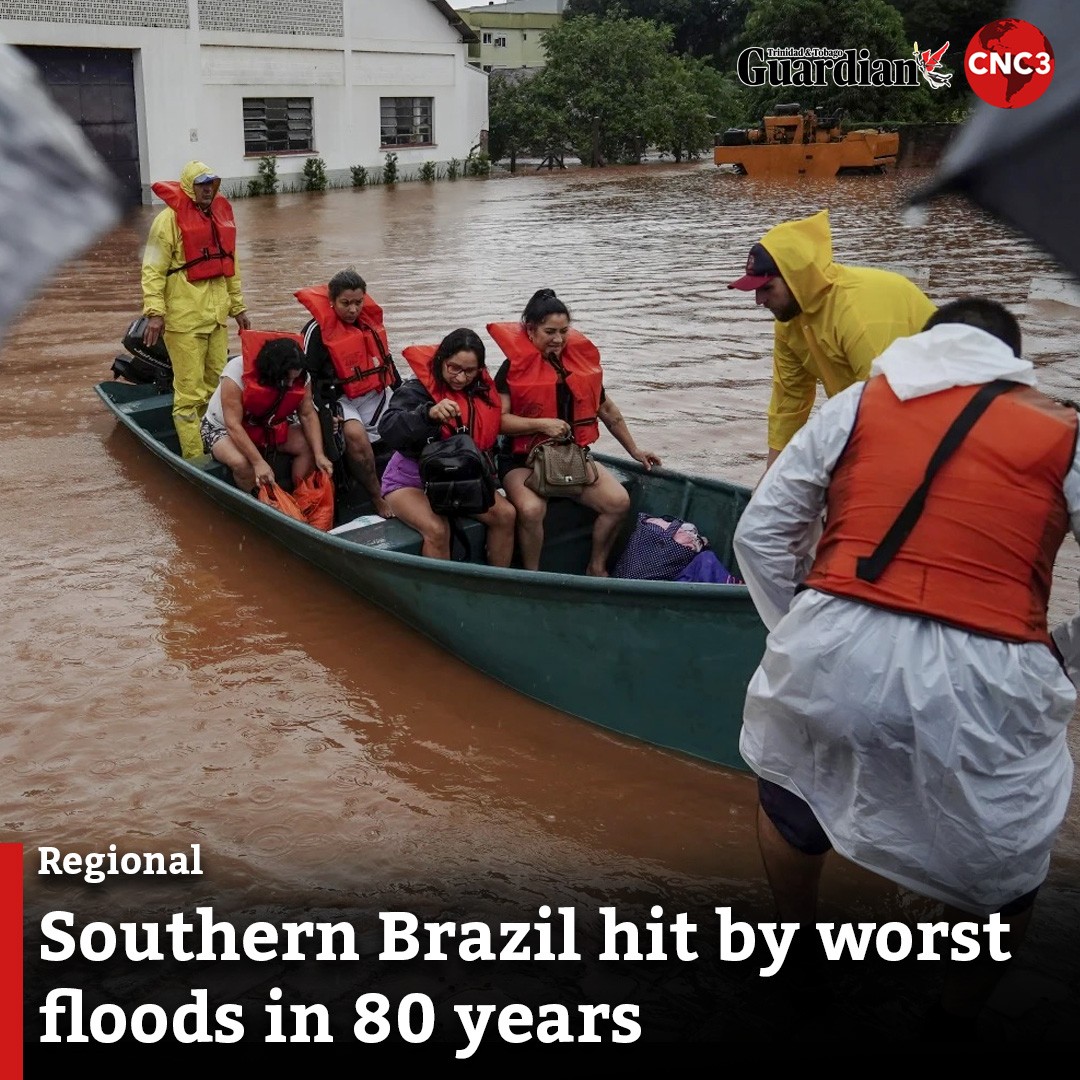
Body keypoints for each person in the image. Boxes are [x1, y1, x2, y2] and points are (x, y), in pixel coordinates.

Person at [733, 298, 1079, 1026]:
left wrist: (802, 630)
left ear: (923, 346)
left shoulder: (859, 403)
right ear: (1013, 363)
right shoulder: (1065, 433)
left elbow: (762, 534)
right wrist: (1061, 665)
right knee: (1000, 866)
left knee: (794, 788)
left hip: (832, 639)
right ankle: (953, 1016)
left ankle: (796, 960)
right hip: (992, 669)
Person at [728, 209, 935, 467]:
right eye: (756, 290)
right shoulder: (789, 321)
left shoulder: (857, 314)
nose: (759, 300)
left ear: (797, 279)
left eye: (767, 288)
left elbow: (886, 410)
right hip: (877, 412)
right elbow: (789, 403)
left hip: (933, 414)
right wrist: (770, 480)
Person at [488, 289, 662, 576]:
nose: (558, 339)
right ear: (530, 330)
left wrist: (635, 450)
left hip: (571, 456)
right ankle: (533, 575)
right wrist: (541, 424)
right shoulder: (512, 368)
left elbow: (607, 411)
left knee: (618, 503)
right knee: (531, 510)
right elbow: (500, 421)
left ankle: (596, 566)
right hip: (523, 462)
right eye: (550, 332)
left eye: (564, 331)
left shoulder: (580, 366)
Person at [377, 329, 516, 565]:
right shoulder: (416, 389)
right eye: (454, 368)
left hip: (460, 480)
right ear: (442, 361)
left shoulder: (480, 391)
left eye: (469, 371)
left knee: (505, 515)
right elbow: (388, 426)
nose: (461, 378)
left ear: (479, 370)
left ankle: (496, 585)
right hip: (410, 481)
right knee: (437, 529)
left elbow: (496, 426)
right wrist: (427, 415)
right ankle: (441, 596)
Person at [142, 160, 250, 459]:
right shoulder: (168, 221)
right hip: (184, 321)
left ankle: (218, 446)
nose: (207, 190)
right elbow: (152, 269)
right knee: (189, 395)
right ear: (190, 187)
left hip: (216, 320)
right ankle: (196, 457)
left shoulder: (219, 220)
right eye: (202, 184)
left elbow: (231, 269)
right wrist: (154, 312)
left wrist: (238, 308)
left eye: (211, 184)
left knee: (218, 388)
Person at [297, 269, 398, 518]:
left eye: (358, 302)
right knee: (355, 435)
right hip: (338, 398)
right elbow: (307, 379)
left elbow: (386, 361)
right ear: (331, 302)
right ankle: (376, 496)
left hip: (374, 391)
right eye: (346, 303)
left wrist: (402, 394)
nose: (353, 310)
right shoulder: (316, 331)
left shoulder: (369, 323)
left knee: (409, 420)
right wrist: (323, 412)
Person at [202, 332, 332, 492]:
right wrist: (258, 462)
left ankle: (300, 498)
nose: (291, 384)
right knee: (242, 463)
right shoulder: (236, 371)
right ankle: (260, 504)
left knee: (308, 446)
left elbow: (307, 414)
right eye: (286, 380)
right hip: (222, 429)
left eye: (294, 379)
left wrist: (320, 455)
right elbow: (232, 425)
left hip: (270, 425)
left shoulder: (301, 375)